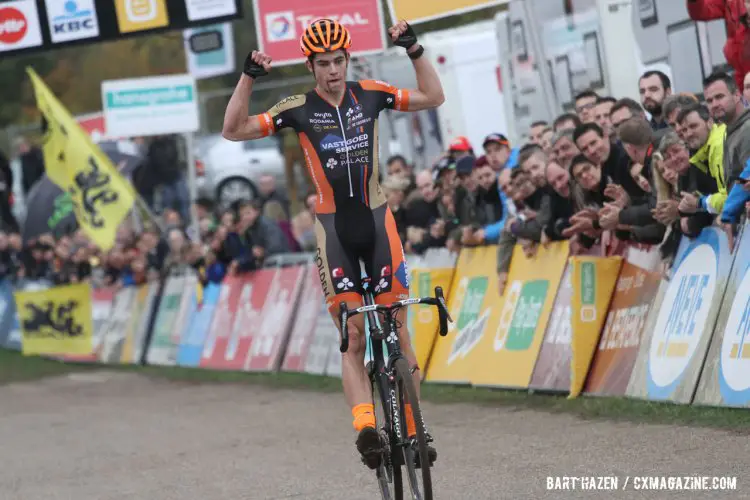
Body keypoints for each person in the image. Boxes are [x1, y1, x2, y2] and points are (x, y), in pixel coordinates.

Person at [221, 18, 445, 468]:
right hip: (334, 233)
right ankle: (366, 427)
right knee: (354, 335)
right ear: (311, 66)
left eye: (338, 61)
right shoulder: (298, 107)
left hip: (379, 224)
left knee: (398, 324)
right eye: (323, 63)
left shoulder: (372, 93)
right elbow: (234, 129)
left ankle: (414, 429)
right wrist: (248, 76)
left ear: (347, 60)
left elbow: (433, 97)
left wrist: (414, 50)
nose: (333, 71)